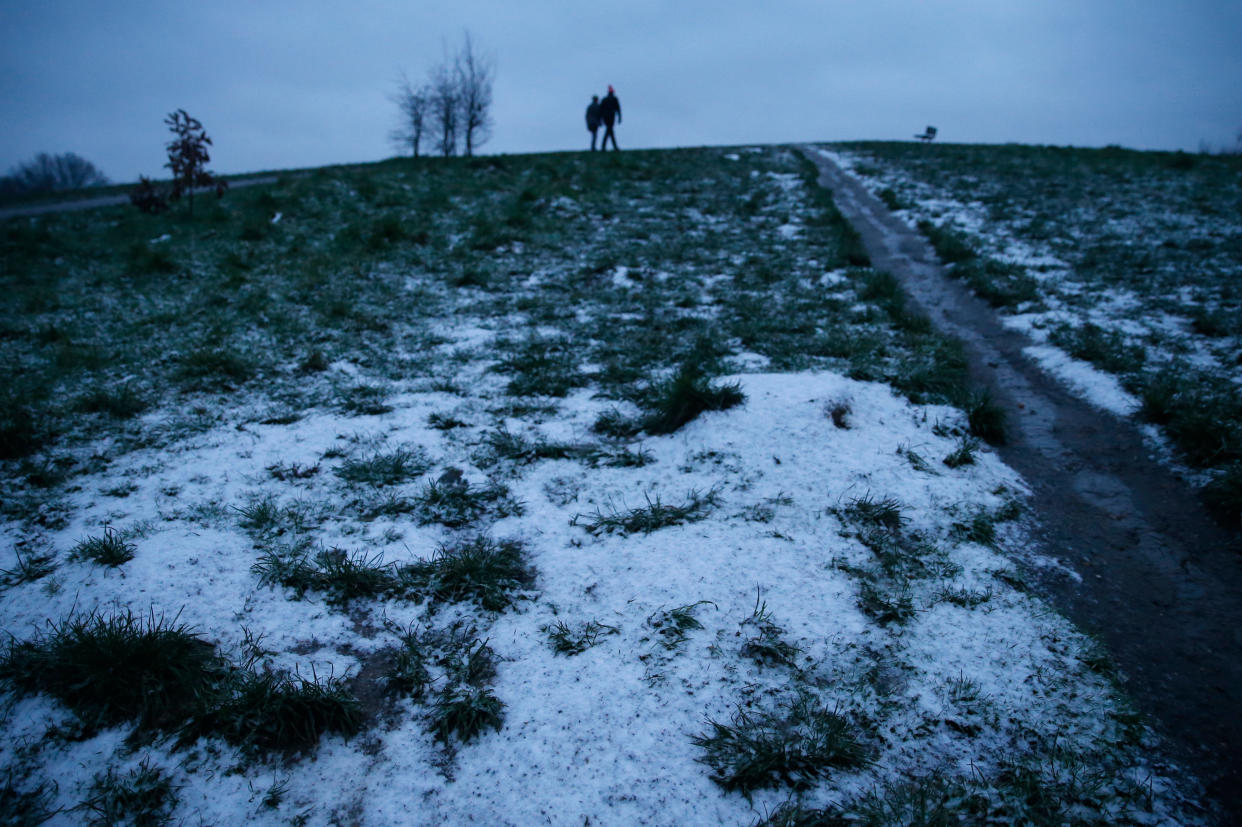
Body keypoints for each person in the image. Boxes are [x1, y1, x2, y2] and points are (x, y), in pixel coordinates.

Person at [599, 85, 621, 151]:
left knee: (609, 131)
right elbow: (618, 109)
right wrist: (619, 118)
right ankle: (613, 147)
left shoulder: (604, 99)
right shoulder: (614, 99)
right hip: (611, 117)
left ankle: (605, 147)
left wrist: (600, 119)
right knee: (609, 131)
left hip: (606, 118)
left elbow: (601, 110)